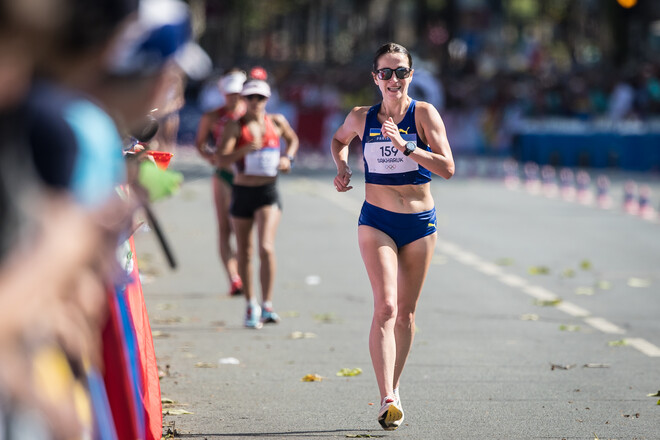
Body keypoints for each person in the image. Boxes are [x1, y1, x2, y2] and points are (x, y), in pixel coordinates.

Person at [330, 42, 454, 430]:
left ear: (411, 75)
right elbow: (338, 141)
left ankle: (395, 387)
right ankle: (386, 397)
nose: (394, 79)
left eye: (401, 72)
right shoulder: (360, 117)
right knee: (385, 306)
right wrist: (343, 165)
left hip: (419, 225)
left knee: (407, 312)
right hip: (377, 220)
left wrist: (408, 146)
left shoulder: (424, 114)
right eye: (386, 72)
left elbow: (448, 167)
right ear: (375, 77)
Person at [218, 79, 299, 329]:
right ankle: (251, 304)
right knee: (245, 251)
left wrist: (288, 159)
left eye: (260, 98)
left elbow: (293, 141)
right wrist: (243, 151)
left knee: (265, 247)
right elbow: (221, 159)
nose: (255, 102)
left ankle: (268, 305)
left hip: (268, 191)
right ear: (244, 99)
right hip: (242, 191)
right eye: (250, 98)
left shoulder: (276, 122)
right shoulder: (235, 126)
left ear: (267, 99)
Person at [195, 69, 246, 296]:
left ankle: (244, 273)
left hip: (247, 176)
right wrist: (211, 158)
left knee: (243, 228)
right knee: (225, 228)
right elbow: (200, 144)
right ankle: (234, 278)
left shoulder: (252, 114)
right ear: (223, 93)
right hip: (223, 175)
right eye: (229, 94)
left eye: (237, 94)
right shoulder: (212, 117)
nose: (233, 98)